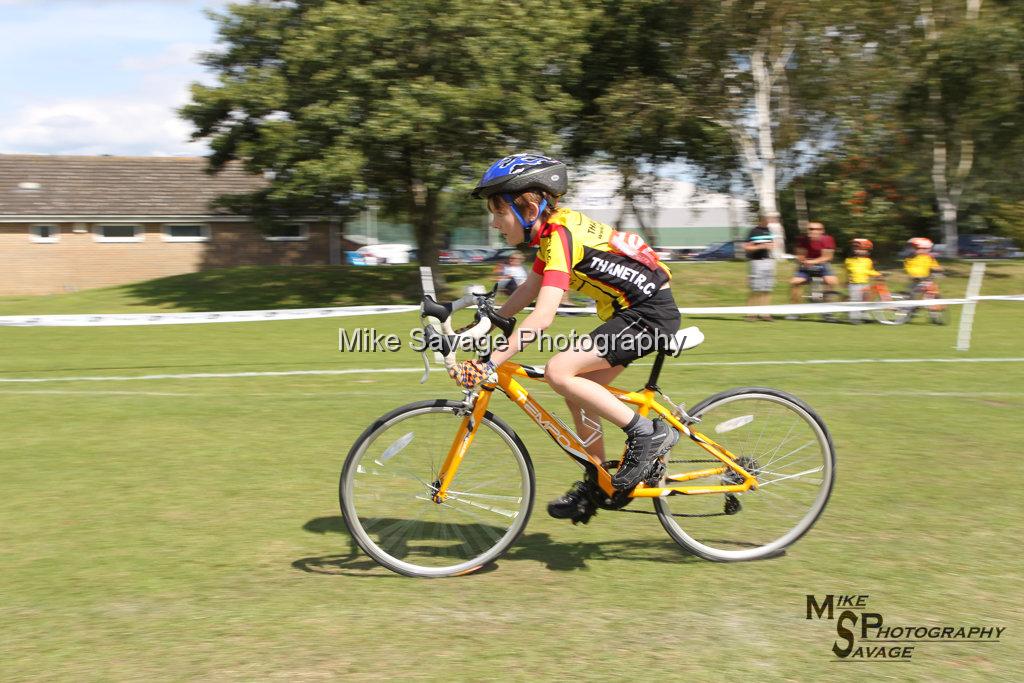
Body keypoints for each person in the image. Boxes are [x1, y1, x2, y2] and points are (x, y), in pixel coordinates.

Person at [448, 153, 682, 522]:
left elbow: (542, 316)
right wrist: (490, 319)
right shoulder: (552, 235)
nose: (494, 224)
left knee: (560, 371)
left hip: (649, 315)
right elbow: (531, 286)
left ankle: (646, 434)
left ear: (528, 207)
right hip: (633, 314)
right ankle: (601, 479)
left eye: (498, 213)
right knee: (577, 391)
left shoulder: (560, 235)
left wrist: (490, 362)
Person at [788, 221, 838, 318]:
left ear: (822, 231)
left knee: (831, 281)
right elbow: (800, 255)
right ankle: (794, 310)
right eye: (811, 229)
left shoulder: (827, 239)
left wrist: (812, 262)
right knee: (794, 282)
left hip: (822, 264)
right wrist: (802, 260)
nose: (814, 231)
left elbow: (827, 257)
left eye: (817, 229)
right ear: (807, 230)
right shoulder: (802, 239)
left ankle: (827, 311)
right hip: (806, 264)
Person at [743, 216, 776, 321]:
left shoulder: (768, 231)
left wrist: (772, 246)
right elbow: (747, 247)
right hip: (756, 262)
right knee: (756, 289)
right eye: (766, 220)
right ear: (760, 220)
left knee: (767, 289)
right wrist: (760, 247)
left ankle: (765, 314)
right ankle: (751, 314)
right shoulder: (753, 231)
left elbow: (770, 245)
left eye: (769, 220)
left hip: (768, 261)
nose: (768, 222)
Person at [904, 237, 945, 323]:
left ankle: (935, 315)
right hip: (916, 281)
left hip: (927, 280)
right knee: (913, 299)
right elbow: (909, 269)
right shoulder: (911, 258)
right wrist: (915, 276)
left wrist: (939, 269)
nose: (916, 250)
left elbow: (935, 266)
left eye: (918, 248)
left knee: (932, 294)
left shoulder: (930, 257)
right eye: (917, 249)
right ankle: (908, 313)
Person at [844, 238, 880, 323]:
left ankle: (864, 316)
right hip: (854, 284)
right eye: (854, 248)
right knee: (855, 301)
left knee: (865, 301)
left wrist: (877, 274)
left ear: (866, 250)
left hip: (865, 284)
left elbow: (870, 271)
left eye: (858, 248)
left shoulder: (868, 261)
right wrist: (845, 281)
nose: (855, 250)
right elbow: (850, 271)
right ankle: (854, 318)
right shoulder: (849, 260)